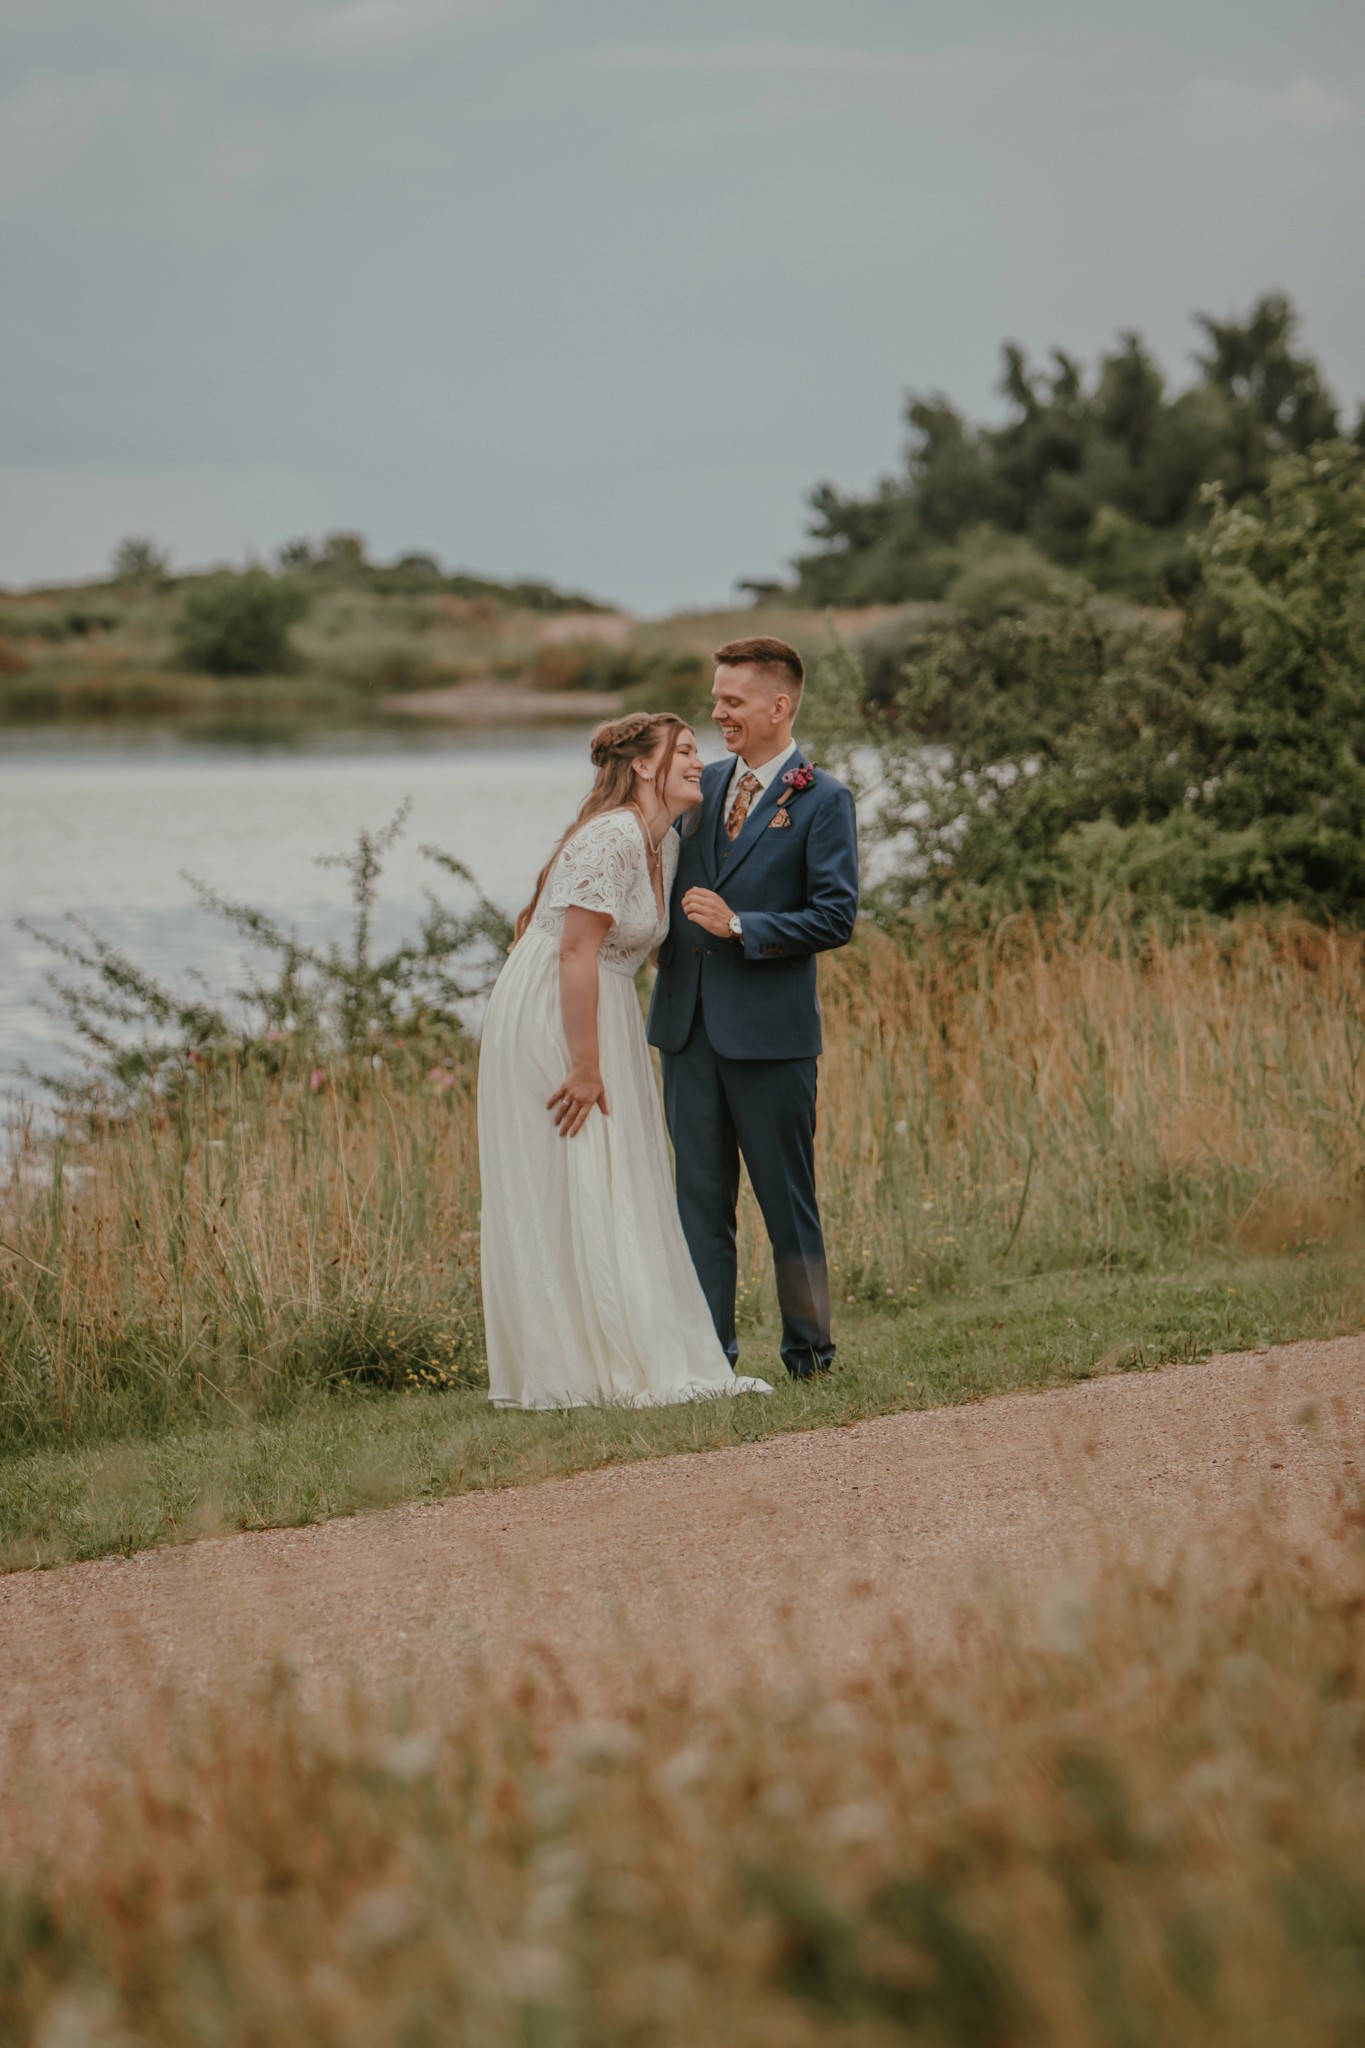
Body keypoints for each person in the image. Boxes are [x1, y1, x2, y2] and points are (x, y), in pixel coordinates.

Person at [478, 711, 772, 1410]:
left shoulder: (661, 840)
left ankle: (611, 1349)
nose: (699, 761)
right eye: (685, 750)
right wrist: (585, 1067)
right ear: (643, 765)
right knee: (578, 1169)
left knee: (613, 1174)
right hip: (555, 1010)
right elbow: (575, 950)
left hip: (601, 1005)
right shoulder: (612, 836)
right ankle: (572, 1366)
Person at [647, 637, 858, 1379]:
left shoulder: (823, 799)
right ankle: (710, 1364)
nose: (718, 714)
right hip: (687, 1031)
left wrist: (741, 925)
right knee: (699, 1205)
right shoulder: (697, 787)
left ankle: (810, 1355)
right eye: (716, 699)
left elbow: (835, 916)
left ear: (779, 705)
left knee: (787, 1204)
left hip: (771, 1038)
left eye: (732, 701)